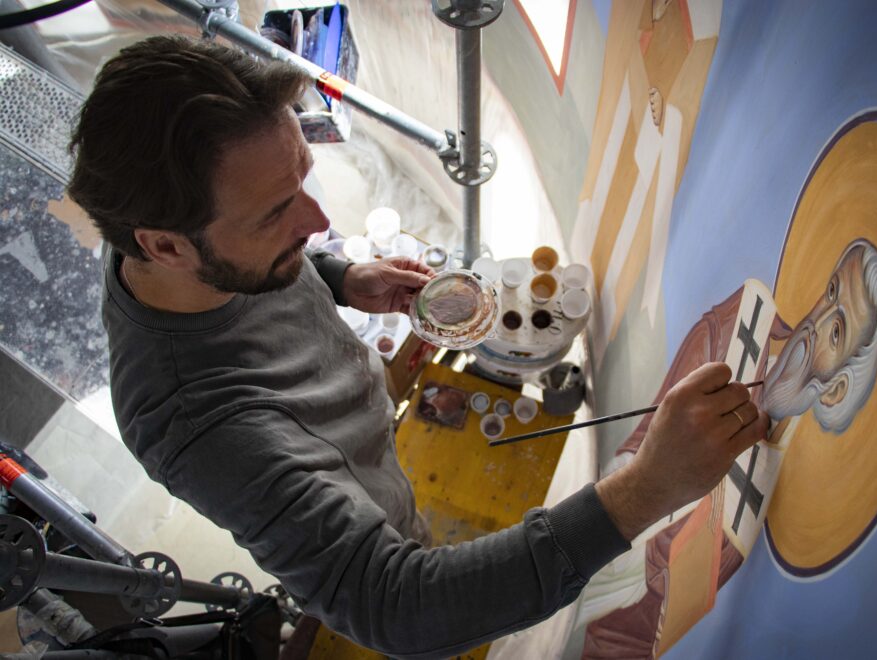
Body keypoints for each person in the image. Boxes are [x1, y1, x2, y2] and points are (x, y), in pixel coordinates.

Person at [67, 35, 768, 658]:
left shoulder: (173, 241)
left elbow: (254, 263)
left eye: (303, 179)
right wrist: (647, 488)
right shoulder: (195, 424)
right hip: (374, 515)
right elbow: (400, 608)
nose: (317, 221)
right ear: (165, 245)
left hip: (377, 461)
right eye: (277, 213)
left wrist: (340, 276)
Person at [581, 239, 877, 657]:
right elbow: (647, 434)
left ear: (836, 390)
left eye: (837, 331)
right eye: (832, 292)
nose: (817, 323)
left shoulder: (805, 501)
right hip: (600, 566)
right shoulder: (743, 323)